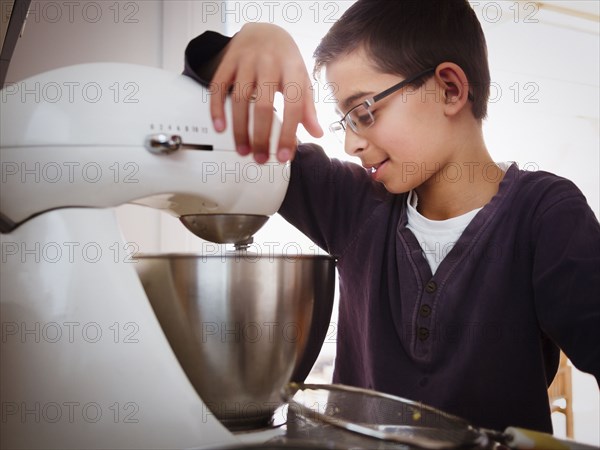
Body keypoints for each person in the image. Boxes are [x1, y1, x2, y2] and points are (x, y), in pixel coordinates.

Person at [183, 0, 600, 433]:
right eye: (345, 119)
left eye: (363, 112)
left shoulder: (546, 217)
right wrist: (252, 42)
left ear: (450, 89)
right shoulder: (352, 206)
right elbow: (217, 110)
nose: (350, 145)